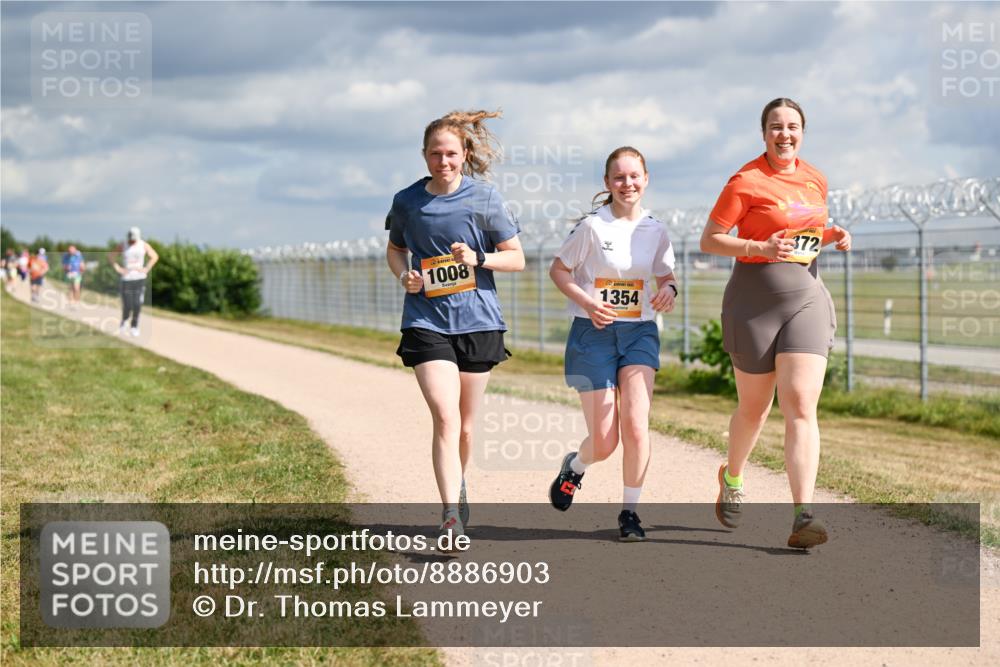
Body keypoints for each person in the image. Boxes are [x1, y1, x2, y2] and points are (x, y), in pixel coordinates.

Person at [700, 98, 851, 549]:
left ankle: (803, 515)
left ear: (803, 131)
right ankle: (733, 475)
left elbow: (808, 231)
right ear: (763, 132)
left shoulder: (815, 178)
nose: (785, 134)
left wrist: (835, 234)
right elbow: (710, 239)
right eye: (775, 127)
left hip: (806, 297)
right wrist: (760, 248)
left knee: (801, 403)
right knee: (755, 408)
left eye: (793, 126)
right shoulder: (745, 181)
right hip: (753, 303)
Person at [385, 109, 524, 541]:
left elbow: (516, 258)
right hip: (426, 320)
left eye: (450, 153)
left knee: (465, 426)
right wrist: (404, 275)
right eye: (434, 154)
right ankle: (449, 516)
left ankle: (459, 485)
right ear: (424, 156)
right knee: (445, 418)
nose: (442, 161)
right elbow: (394, 250)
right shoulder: (408, 201)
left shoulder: (485, 199)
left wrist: (478, 258)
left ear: (464, 154)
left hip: (478, 322)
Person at [547, 146, 678, 542]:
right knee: (605, 441)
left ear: (646, 178)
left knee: (637, 425)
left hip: (639, 332)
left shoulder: (655, 229)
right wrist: (589, 302)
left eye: (634, 176)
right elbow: (559, 270)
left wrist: (669, 290)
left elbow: (665, 276)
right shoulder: (592, 227)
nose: (627, 184)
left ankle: (630, 513)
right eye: (619, 177)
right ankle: (576, 466)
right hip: (593, 334)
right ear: (607, 183)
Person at [110, 227, 159, 337]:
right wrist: (118, 268)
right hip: (126, 279)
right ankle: (124, 321)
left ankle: (134, 326)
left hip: (139, 278)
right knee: (127, 304)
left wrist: (146, 268)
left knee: (137, 304)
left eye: (134, 239)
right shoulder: (123, 245)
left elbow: (155, 256)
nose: (132, 241)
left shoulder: (143, 245)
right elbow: (111, 256)